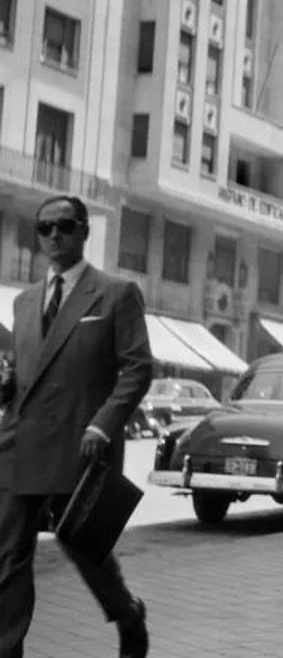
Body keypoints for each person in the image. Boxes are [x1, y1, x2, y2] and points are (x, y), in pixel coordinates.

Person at [0, 195, 154, 658]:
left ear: (84, 231)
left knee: (85, 547)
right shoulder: (25, 302)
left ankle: (127, 612)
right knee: (7, 556)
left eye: (64, 226)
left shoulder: (115, 293)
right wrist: (7, 383)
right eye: (44, 228)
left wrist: (103, 426)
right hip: (19, 443)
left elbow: (137, 369)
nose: (53, 236)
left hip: (81, 444)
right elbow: (28, 374)